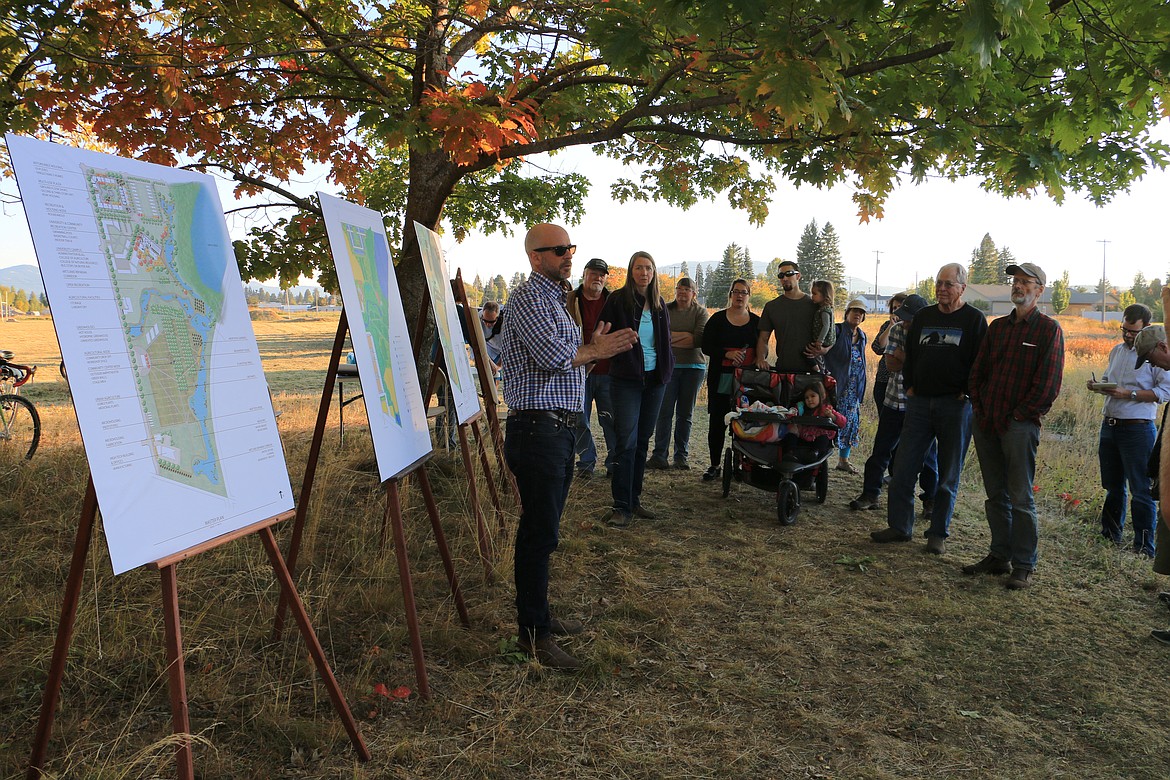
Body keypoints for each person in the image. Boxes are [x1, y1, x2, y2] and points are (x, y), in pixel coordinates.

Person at [501, 224, 637, 669]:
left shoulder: (556, 299)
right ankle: (532, 635)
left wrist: (592, 347)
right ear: (535, 257)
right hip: (537, 430)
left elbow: (568, 354)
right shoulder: (529, 298)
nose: (567, 255)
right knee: (539, 534)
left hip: (555, 429)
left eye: (570, 248)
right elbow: (554, 358)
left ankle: (538, 617)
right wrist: (594, 348)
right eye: (558, 250)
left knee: (545, 532)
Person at [870, 263, 987, 555]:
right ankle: (900, 527)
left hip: (955, 406)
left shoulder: (974, 320)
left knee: (948, 474)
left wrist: (968, 393)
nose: (942, 289)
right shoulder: (923, 316)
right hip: (919, 403)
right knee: (904, 468)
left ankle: (938, 533)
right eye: (938, 283)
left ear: (962, 286)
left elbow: (982, 363)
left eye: (948, 284)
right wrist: (910, 385)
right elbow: (911, 355)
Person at [965, 263, 1065, 589]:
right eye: (1015, 281)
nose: (1018, 286)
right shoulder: (998, 328)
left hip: (1019, 427)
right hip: (987, 422)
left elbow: (1047, 386)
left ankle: (1023, 564)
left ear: (1040, 290)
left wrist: (1019, 416)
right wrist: (979, 410)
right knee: (995, 495)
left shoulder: (1048, 331)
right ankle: (999, 555)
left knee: (1021, 497)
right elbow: (977, 373)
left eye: (1026, 282)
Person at [598, 251, 674, 527]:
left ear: (654, 273)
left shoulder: (659, 304)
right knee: (625, 443)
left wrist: (667, 369)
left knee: (642, 442)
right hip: (626, 380)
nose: (644, 272)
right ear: (631, 271)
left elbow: (664, 342)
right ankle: (621, 506)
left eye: (649, 268)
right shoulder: (618, 300)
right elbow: (602, 333)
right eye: (639, 268)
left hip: (656, 380)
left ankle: (634, 500)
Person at [1088, 303, 1170, 557]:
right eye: (1124, 330)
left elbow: (1164, 392)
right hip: (1111, 424)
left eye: (1133, 332)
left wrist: (1128, 393)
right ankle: (1110, 534)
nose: (1127, 336)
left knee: (1141, 490)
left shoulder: (1156, 354)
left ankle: (1144, 546)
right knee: (1113, 485)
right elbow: (1106, 378)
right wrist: (1098, 385)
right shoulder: (1116, 351)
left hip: (1137, 429)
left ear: (1147, 328)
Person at [849, 294, 939, 513]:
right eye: (902, 316)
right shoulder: (897, 330)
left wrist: (903, 355)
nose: (905, 321)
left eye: (909, 317)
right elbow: (890, 364)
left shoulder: (932, 334)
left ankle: (930, 500)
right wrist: (913, 359)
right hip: (892, 400)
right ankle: (870, 494)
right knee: (881, 451)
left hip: (921, 405)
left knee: (928, 458)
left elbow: (931, 369)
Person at [700, 278, 759, 481]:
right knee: (717, 421)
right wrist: (727, 355)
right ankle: (715, 465)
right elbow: (705, 346)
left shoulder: (757, 322)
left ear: (748, 296)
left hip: (748, 381)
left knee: (746, 424)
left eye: (744, 292)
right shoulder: (717, 319)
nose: (739, 295)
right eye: (736, 291)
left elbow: (763, 348)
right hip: (721, 378)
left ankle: (744, 464)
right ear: (730, 294)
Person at [649, 277, 709, 470]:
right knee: (663, 412)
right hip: (669, 367)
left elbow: (698, 340)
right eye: (679, 289)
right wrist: (683, 336)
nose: (682, 292)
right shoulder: (664, 309)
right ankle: (659, 456)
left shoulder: (700, 312)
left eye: (687, 289)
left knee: (685, 414)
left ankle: (680, 456)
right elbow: (658, 337)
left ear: (694, 293)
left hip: (693, 368)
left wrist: (670, 338)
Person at [566, 258, 616, 479]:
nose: (598, 278)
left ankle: (615, 462)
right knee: (579, 419)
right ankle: (586, 462)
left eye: (602, 275)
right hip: (577, 371)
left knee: (611, 419)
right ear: (584, 274)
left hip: (609, 372)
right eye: (593, 273)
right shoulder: (569, 300)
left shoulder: (614, 302)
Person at [822, 299, 868, 473]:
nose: (857, 314)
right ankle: (821, 460)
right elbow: (825, 353)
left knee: (850, 423)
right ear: (847, 313)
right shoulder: (837, 330)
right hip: (837, 387)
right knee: (830, 420)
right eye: (854, 311)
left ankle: (843, 460)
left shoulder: (862, 336)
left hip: (854, 388)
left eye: (861, 312)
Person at [755, 261, 821, 372]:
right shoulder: (772, 307)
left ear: (798, 276)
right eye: (781, 275)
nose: (785, 278)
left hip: (813, 370)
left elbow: (831, 335)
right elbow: (763, 338)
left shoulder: (815, 305)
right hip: (783, 369)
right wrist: (761, 359)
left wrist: (823, 350)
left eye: (789, 274)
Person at [780, 380, 846, 463]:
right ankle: (789, 453)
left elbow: (843, 422)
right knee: (790, 435)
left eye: (812, 396)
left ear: (822, 396)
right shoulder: (801, 407)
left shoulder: (826, 409)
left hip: (818, 437)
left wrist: (832, 416)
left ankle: (815, 453)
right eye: (806, 397)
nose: (809, 399)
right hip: (803, 435)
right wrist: (792, 414)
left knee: (823, 439)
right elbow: (791, 413)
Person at [872, 293, 909, 411]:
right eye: (894, 308)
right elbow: (878, 347)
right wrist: (891, 327)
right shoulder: (887, 325)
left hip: (902, 381)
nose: (897, 310)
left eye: (900, 307)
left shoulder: (912, 326)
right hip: (884, 378)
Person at [809, 279, 837, 358]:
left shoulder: (824, 310)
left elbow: (826, 326)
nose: (812, 296)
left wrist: (819, 340)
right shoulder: (823, 308)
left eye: (814, 294)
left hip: (824, 341)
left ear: (824, 295)